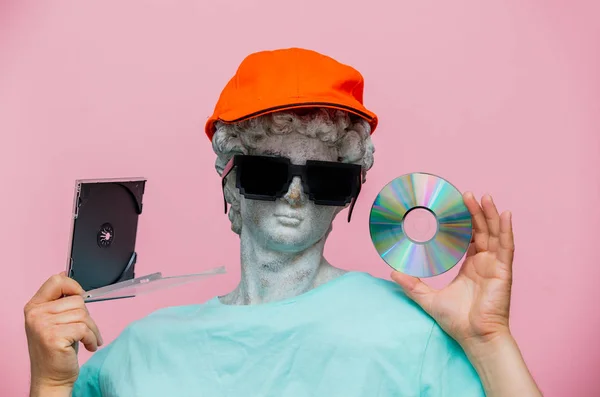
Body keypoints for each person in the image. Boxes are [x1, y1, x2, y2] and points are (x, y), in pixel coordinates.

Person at [24, 48, 542, 397]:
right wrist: (49, 382)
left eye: (325, 177)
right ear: (229, 181)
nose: (294, 193)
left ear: (350, 194)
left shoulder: (414, 333)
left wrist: (488, 339)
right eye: (267, 171)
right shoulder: (138, 354)